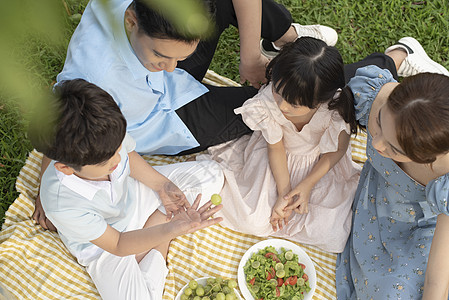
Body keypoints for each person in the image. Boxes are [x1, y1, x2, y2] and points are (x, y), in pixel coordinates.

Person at [33, 0, 338, 229]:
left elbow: (171, 61)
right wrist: (49, 184)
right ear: (131, 20)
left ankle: (289, 39)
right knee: (269, 104)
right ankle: (347, 72)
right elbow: (64, 115)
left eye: (182, 55)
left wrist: (250, 57)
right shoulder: (95, 77)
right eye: (160, 56)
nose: (172, 68)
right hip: (161, 120)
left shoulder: (165, 49)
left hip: (163, 75)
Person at [30, 79, 225, 300]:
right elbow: (118, 244)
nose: (117, 158)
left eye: (117, 148)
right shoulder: (61, 203)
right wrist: (171, 231)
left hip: (134, 199)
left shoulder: (107, 136)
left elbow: (128, 157)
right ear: (65, 168)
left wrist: (162, 185)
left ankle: (153, 233)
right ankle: (159, 243)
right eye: (105, 161)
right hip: (104, 245)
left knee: (212, 173)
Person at [197, 37, 361, 253]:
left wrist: (306, 186)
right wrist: (285, 194)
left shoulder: (334, 109)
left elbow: (336, 151)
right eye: (278, 91)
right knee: (252, 220)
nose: (281, 105)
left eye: (293, 104)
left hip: (319, 166)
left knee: (331, 233)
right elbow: (275, 148)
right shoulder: (268, 101)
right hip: (276, 160)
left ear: (320, 101)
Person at [335, 37, 449, 299]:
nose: (375, 144)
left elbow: (436, 282)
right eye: (379, 121)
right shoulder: (375, 92)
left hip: (423, 227)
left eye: (394, 149)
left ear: (428, 158)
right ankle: (402, 53)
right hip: (375, 199)